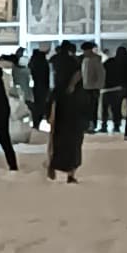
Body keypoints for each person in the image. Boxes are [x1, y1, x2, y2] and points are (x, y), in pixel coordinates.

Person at [46, 43, 92, 187]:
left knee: (57, 140)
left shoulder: (55, 64)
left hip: (60, 109)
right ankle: (71, 173)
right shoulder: (74, 65)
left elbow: (53, 89)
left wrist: (48, 112)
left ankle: (52, 166)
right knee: (74, 142)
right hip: (75, 112)